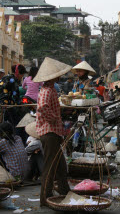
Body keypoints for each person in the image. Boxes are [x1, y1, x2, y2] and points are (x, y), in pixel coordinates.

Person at [34, 57, 72, 207]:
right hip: (49, 132)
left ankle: (65, 194)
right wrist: (55, 119)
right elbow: (43, 108)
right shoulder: (48, 91)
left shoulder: (49, 90)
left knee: (61, 166)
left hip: (53, 133)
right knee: (50, 167)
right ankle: (45, 198)